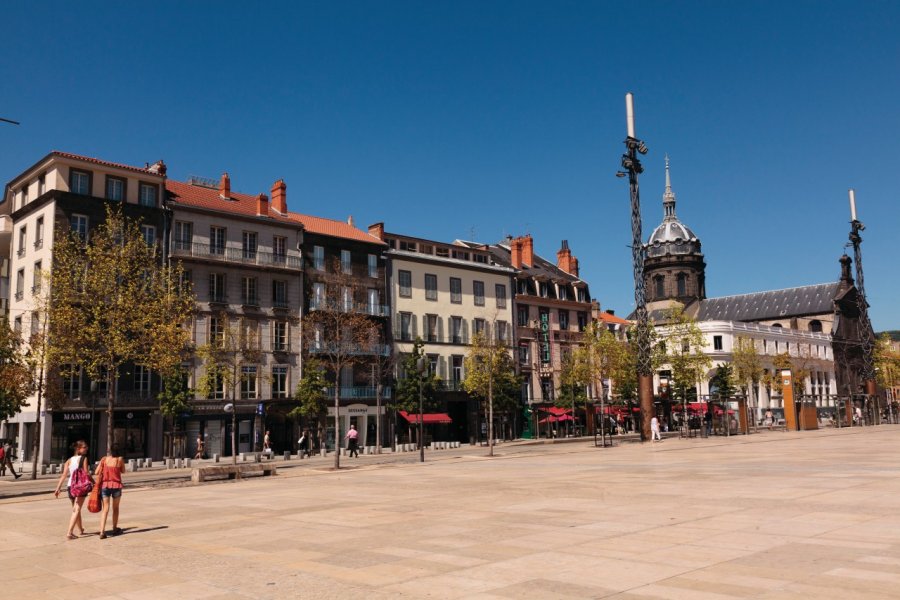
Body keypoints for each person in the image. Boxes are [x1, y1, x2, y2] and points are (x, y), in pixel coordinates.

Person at [53, 440, 93, 540]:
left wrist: (58, 488)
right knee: (77, 509)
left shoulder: (69, 460)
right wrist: (95, 483)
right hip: (80, 487)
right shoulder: (84, 459)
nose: (86, 449)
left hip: (70, 487)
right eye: (84, 447)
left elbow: (64, 475)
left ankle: (80, 529)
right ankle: (69, 533)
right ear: (78, 449)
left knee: (76, 509)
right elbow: (87, 473)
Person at [94, 445, 125, 539]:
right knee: (115, 508)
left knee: (105, 509)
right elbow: (123, 471)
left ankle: (102, 531)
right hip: (116, 486)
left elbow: (96, 472)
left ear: (110, 450)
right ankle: (115, 528)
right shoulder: (119, 459)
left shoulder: (104, 459)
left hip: (105, 486)